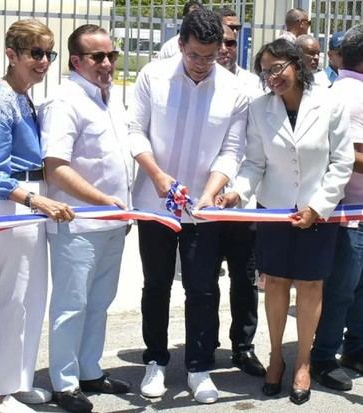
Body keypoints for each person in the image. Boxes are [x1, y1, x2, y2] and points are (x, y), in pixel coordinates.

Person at [218, 38, 353, 405]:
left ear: (297, 64)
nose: (271, 77)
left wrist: (318, 207)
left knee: (310, 287)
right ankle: (276, 356)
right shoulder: (260, 108)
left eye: (277, 67)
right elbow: (254, 163)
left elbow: (340, 163)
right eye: (265, 70)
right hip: (274, 210)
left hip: (318, 213)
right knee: (275, 283)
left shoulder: (330, 103)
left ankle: (303, 364)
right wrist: (236, 193)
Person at [128, 9, 247, 404]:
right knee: (156, 285)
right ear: (180, 45)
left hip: (203, 208)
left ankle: (198, 367)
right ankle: (156, 361)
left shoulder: (233, 89)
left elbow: (232, 151)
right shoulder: (152, 76)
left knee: (202, 288)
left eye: (210, 57)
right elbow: (135, 131)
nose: (202, 65)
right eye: (195, 55)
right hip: (155, 204)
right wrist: (158, 176)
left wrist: (212, 193)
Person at [0, 19, 74, 413]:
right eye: (35, 53)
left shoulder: (21, 95)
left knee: (30, 296)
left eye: (49, 53)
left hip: (29, 200)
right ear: (11, 54)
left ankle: (14, 381)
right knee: (8, 299)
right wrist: (35, 200)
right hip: (13, 202)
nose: (43, 61)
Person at [39, 24, 133, 413]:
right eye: (97, 57)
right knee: (71, 304)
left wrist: (119, 209)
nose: (107, 63)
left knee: (99, 302)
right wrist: (101, 199)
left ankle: (91, 370)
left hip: (113, 223)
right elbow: (55, 167)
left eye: (111, 55)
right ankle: (64, 383)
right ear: (76, 61)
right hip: (78, 224)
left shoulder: (110, 97)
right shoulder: (65, 101)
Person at [311, 25, 363, 392]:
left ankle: (355, 349)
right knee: (343, 289)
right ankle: (324, 358)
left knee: (359, 290)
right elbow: (351, 156)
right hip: (348, 212)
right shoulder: (350, 94)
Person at [214, 22, 265, 379]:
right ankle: (201, 348)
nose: (224, 49)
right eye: (218, 42)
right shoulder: (191, 82)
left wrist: (241, 190)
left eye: (230, 42)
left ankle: (243, 347)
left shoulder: (252, 84)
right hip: (201, 203)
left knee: (245, 279)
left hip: (242, 198)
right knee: (201, 283)